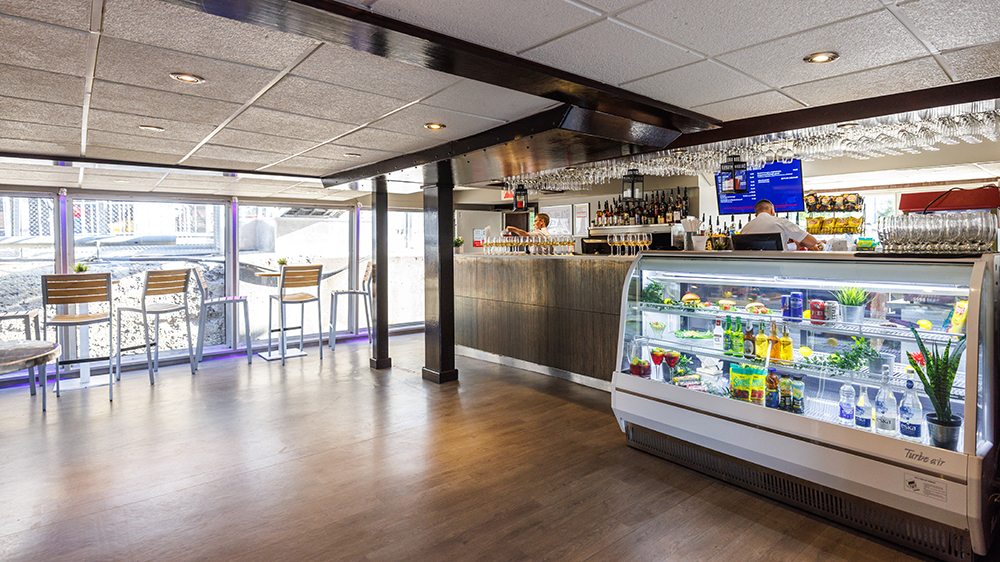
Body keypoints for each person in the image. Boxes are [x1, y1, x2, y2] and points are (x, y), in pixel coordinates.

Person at [741, 200, 822, 251]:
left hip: (753, 271)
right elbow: (812, 241)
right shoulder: (781, 222)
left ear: (756, 215)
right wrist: (800, 245)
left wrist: (793, 246)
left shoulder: (745, 229)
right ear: (772, 210)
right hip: (778, 269)